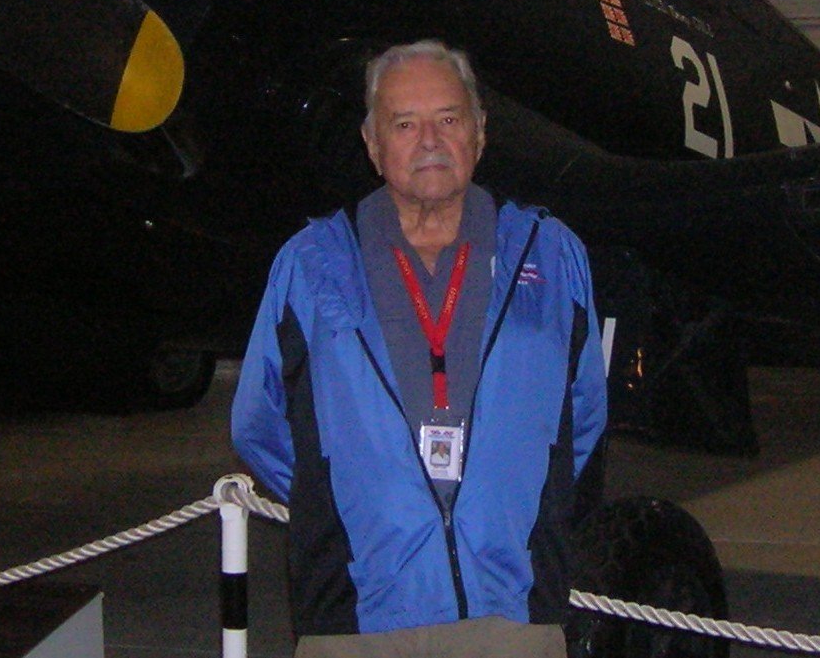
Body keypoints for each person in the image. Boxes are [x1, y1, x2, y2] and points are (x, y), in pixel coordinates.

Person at [231, 40, 606, 658]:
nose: (429, 140)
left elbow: (584, 419)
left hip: (511, 615)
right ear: (372, 145)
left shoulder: (551, 254)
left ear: (480, 133)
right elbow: (259, 425)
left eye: (449, 119)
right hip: (358, 618)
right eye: (404, 123)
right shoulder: (310, 264)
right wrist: (356, 502)